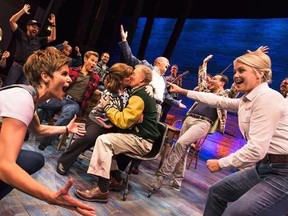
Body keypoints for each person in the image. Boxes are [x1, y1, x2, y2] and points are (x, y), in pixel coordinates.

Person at [168, 48, 288, 215]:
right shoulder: (247, 100)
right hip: (265, 167)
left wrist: (221, 163)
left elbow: (256, 149)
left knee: (235, 213)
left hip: (283, 173)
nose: (236, 75)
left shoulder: (268, 98)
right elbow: (217, 100)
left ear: (260, 74)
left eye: (241, 70)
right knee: (217, 193)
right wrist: (183, 91)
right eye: (235, 71)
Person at [0, 48, 95, 215]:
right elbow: (4, 166)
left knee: (35, 159)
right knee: (11, 165)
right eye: (64, 74)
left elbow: (38, 129)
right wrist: (51, 197)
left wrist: (66, 128)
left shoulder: (30, 96)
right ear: (45, 76)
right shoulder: (22, 99)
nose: (69, 80)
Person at [74, 65, 160, 203]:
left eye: (134, 74)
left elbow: (123, 121)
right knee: (109, 143)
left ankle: (102, 190)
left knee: (104, 141)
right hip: (139, 137)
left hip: (141, 140)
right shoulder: (140, 91)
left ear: (142, 78)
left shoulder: (140, 95)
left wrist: (108, 106)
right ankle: (117, 179)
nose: (131, 76)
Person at [150, 69, 235, 191]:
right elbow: (202, 80)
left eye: (215, 79)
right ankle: (177, 180)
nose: (212, 80)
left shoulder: (225, 95)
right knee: (183, 149)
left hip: (203, 123)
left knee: (180, 144)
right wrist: (204, 65)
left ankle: (161, 176)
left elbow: (234, 90)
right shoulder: (205, 91)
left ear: (222, 83)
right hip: (189, 119)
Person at [119, 24, 186, 174]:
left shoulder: (163, 80)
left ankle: (135, 164)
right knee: (135, 131)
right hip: (142, 105)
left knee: (148, 134)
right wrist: (124, 41)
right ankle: (120, 164)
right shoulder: (146, 67)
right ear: (159, 63)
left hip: (157, 108)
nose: (168, 66)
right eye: (167, 64)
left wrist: (177, 102)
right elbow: (130, 57)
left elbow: (165, 97)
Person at [56, 63, 132, 175]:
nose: (131, 78)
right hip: (98, 120)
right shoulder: (109, 93)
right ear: (120, 79)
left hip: (115, 124)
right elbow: (111, 113)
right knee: (89, 137)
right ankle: (64, 161)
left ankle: (115, 176)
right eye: (128, 76)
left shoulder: (128, 92)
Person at [37, 50, 100, 151]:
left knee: (68, 113)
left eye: (96, 62)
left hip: (74, 103)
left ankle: (46, 141)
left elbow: (94, 89)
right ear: (85, 59)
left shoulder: (95, 78)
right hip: (61, 98)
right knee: (40, 104)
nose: (94, 63)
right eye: (92, 60)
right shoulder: (72, 71)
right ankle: (30, 130)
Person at [4, 4, 56, 86]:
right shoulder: (20, 34)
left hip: (28, 69)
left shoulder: (38, 40)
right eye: (34, 27)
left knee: (22, 91)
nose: (36, 29)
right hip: (17, 66)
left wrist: (53, 24)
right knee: (8, 86)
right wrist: (22, 11)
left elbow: (53, 38)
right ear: (28, 27)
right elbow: (12, 21)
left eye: (37, 28)